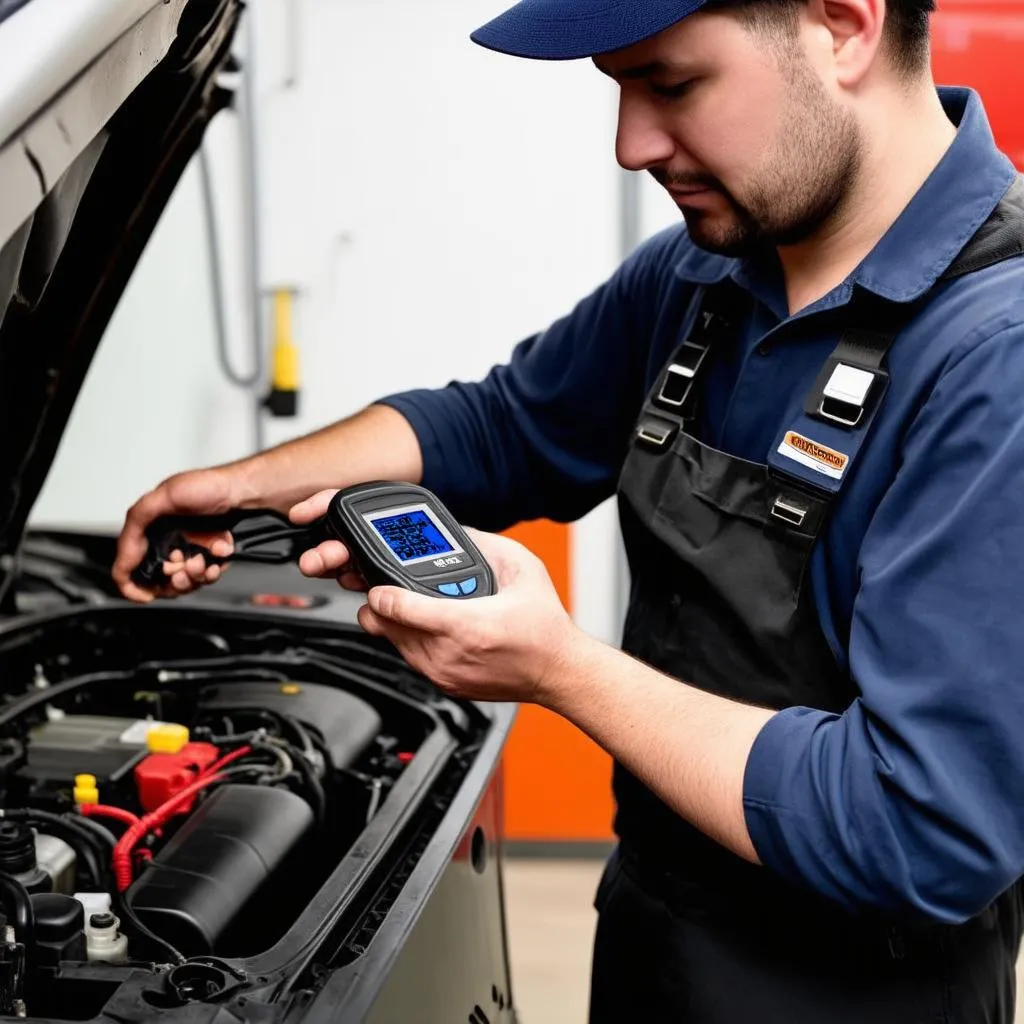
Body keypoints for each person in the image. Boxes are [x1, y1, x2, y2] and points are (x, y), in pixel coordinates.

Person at [114, 0, 1024, 1019]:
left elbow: (920, 827)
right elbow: (502, 428)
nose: (630, 145)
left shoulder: (996, 361)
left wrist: (557, 666)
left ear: (844, 23)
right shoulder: (701, 275)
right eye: (617, 88)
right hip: (658, 936)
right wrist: (247, 488)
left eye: (671, 84)